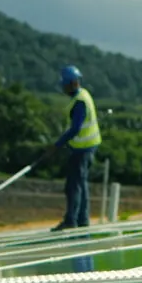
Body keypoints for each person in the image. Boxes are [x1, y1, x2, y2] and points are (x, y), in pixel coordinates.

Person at [51, 64, 102, 231]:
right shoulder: (83, 95)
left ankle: (72, 220)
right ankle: (82, 219)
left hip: (83, 149)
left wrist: (57, 144)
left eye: (64, 84)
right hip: (86, 147)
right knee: (81, 183)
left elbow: (75, 129)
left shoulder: (79, 102)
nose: (63, 88)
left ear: (72, 83)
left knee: (73, 186)